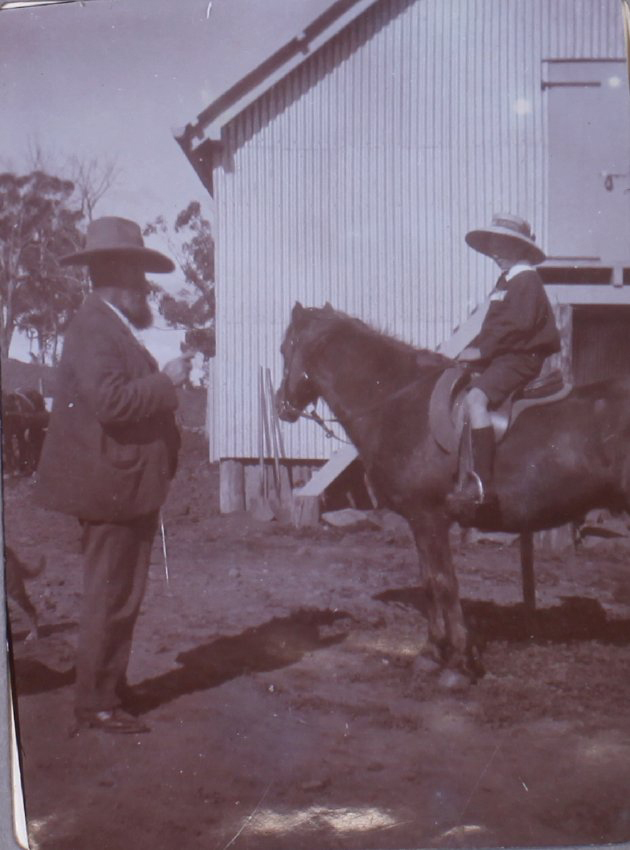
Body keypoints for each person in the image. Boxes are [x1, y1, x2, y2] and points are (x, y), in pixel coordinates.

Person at [35, 216, 193, 734]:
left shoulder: (107, 325)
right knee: (111, 595)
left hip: (123, 486)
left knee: (120, 594)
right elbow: (113, 403)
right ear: (117, 274)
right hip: (111, 488)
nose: (146, 288)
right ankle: (97, 703)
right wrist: (166, 383)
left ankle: (108, 688)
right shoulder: (93, 328)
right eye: (139, 275)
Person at [447, 213, 561, 513]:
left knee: (476, 400)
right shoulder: (507, 281)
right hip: (505, 355)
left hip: (520, 358)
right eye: (493, 247)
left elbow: (519, 325)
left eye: (503, 247)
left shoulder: (526, 280)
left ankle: (484, 484)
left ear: (521, 249)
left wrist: (482, 351)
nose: (496, 254)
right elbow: (494, 326)